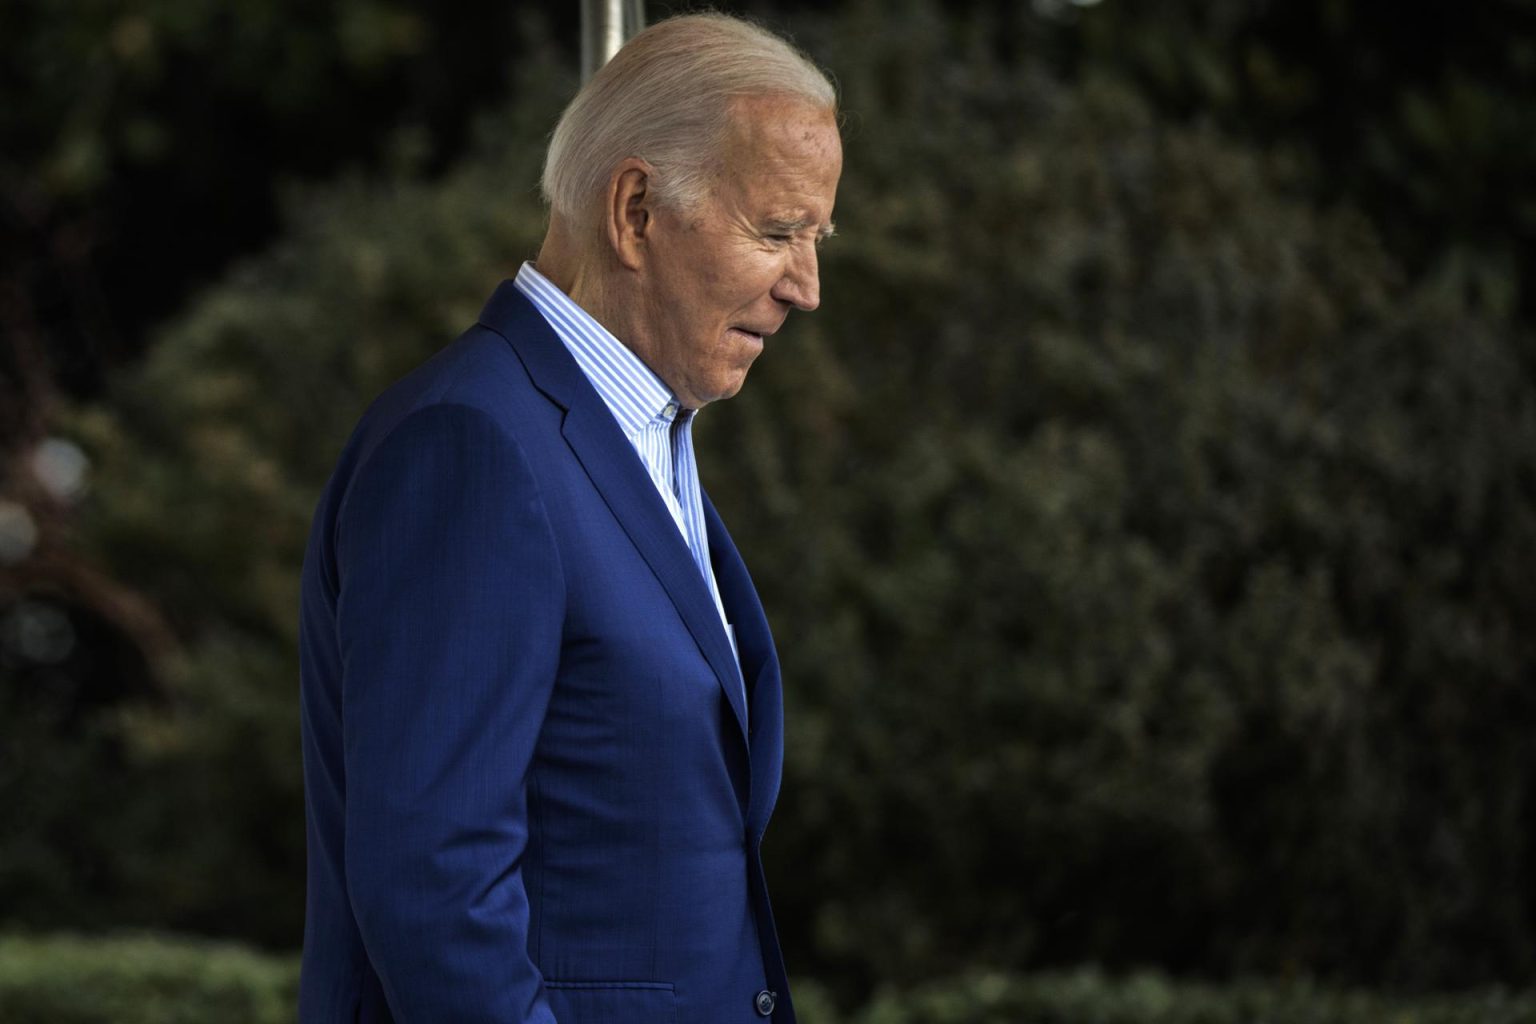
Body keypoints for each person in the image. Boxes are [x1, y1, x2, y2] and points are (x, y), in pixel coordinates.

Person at [296, 13, 841, 1024]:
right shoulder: (473, 447)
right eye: (776, 231)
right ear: (634, 210)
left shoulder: (639, 433)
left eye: (817, 236)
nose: (807, 288)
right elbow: (436, 893)